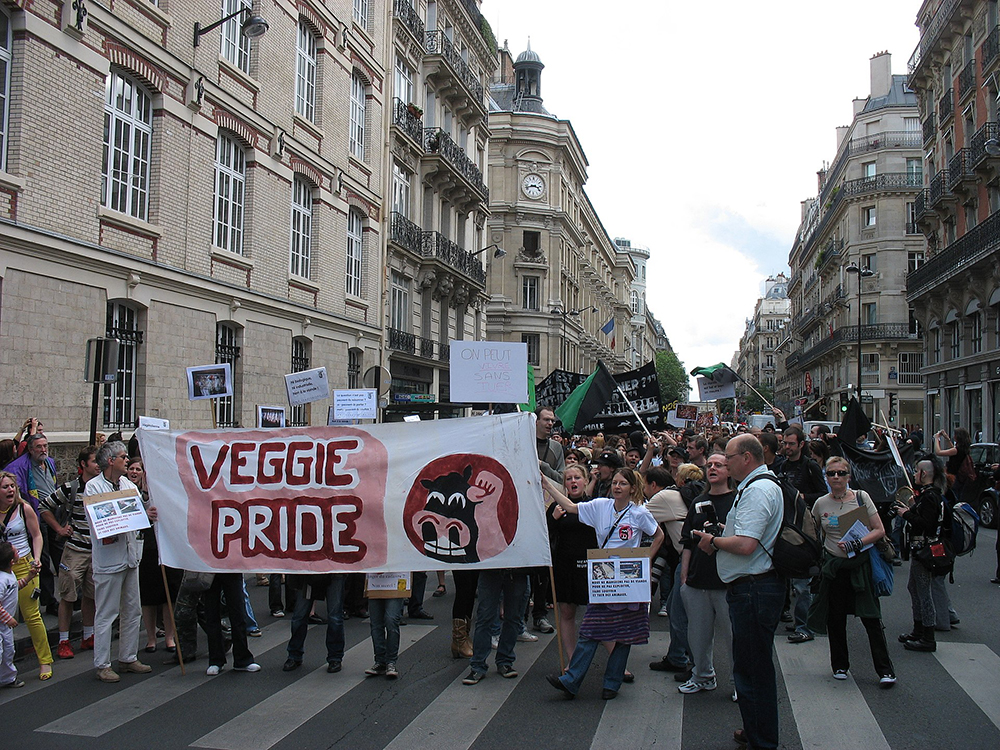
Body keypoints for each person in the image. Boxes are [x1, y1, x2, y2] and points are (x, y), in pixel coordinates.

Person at [693, 434, 784, 750]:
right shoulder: (757, 486)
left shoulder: (757, 490)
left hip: (754, 588)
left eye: (728, 457)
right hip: (753, 586)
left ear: (746, 457)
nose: (724, 463)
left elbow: (746, 544)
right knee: (751, 666)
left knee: (753, 669)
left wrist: (713, 542)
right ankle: (756, 727)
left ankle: (762, 739)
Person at [542, 468, 663, 700]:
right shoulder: (600, 506)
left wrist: (645, 560)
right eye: (615, 482)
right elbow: (571, 507)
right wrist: (548, 486)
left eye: (623, 483)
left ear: (632, 488)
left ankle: (611, 683)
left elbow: (659, 536)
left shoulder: (639, 513)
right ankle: (571, 680)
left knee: (624, 633)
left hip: (628, 575)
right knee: (590, 628)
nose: (617, 487)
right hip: (604, 573)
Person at [806, 457, 895, 687]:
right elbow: (813, 533)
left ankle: (885, 670)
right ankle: (840, 665)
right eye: (831, 473)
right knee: (835, 619)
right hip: (834, 567)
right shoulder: (821, 504)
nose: (836, 477)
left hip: (860, 566)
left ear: (849, 476)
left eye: (841, 473)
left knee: (871, 618)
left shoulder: (861, 498)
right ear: (826, 477)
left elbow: (879, 530)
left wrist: (858, 543)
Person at [85, 441, 153, 683]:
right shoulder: (93, 487)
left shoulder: (128, 485)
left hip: (130, 556)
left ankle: (128, 657)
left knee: (133, 610)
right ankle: (102, 663)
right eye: (123, 457)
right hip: (109, 559)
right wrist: (127, 517)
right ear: (110, 461)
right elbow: (101, 520)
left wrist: (148, 511)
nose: (127, 460)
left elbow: (139, 511)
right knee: (107, 612)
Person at [677, 452, 737, 695]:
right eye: (709, 465)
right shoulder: (698, 502)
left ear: (729, 471)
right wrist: (684, 576)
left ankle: (738, 682)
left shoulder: (737, 501)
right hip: (697, 580)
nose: (712, 468)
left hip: (727, 581)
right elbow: (687, 542)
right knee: (698, 636)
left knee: (734, 637)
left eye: (719, 465)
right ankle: (702, 676)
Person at [38, 446, 101, 659]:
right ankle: (63, 640)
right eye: (94, 461)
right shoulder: (70, 488)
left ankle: (88, 635)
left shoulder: (103, 487)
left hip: (96, 551)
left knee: (91, 595)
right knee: (67, 595)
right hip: (75, 550)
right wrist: (59, 529)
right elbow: (44, 506)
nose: (98, 465)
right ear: (83, 464)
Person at [777, 426, 827, 645]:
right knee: (788, 578)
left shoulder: (810, 466)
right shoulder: (783, 465)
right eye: (785, 443)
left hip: (804, 528)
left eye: (791, 444)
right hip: (786, 526)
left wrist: (803, 497)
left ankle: (805, 626)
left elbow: (823, 494)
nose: (787, 447)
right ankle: (798, 619)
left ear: (801, 445)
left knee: (802, 582)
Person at [0, 472, 53, 680]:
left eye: (12, 486)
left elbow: (37, 535)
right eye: (5, 487)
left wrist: (36, 559)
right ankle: (6, 667)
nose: (10, 490)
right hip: (2, 569)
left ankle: (45, 660)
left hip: (24, 565)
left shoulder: (24, 509)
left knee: (31, 615)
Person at [895, 455, 951, 653]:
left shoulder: (930, 497)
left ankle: (928, 636)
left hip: (925, 550)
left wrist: (906, 514)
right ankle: (918, 630)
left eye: (917, 471)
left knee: (923, 592)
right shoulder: (931, 494)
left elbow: (927, 524)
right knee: (914, 587)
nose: (914, 474)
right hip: (922, 550)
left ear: (924, 473)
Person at [547, 464, 598, 666]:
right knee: (567, 613)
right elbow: (545, 534)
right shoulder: (556, 507)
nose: (573, 482)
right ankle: (572, 659)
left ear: (585, 481)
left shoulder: (594, 504)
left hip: (591, 565)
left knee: (597, 614)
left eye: (577, 478)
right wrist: (553, 519)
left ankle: (617, 661)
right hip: (565, 565)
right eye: (569, 479)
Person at [127, 458, 180, 653]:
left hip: (167, 544)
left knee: (168, 594)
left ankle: (169, 637)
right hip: (145, 547)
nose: (135, 472)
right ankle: (151, 637)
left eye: (138, 469)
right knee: (148, 595)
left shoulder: (167, 489)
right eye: (132, 468)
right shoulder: (131, 492)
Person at [283, 574, 345, 673]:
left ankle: (335, 657)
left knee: (335, 618)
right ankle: (294, 655)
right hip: (309, 573)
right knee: (300, 615)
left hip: (334, 572)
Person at [0, 540, 37, 689]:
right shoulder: (1, 580)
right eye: (16, 552)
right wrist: (8, 618)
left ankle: (7, 678)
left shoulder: (10, 575)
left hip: (5, 626)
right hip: (4, 622)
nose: (19, 553)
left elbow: (14, 587)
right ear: (11, 561)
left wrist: (28, 578)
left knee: (8, 651)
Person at [365, 578, 404, 680]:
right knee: (376, 623)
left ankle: (391, 662)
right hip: (375, 582)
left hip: (395, 580)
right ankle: (380, 661)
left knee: (391, 620)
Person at [934, 428, 973, 501]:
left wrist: (936, 439)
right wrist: (947, 438)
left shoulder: (956, 450)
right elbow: (952, 448)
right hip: (959, 477)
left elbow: (938, 452)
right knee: (957, 496)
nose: (953, 436)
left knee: (952, 496)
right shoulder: (963, 449)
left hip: (953, 476)